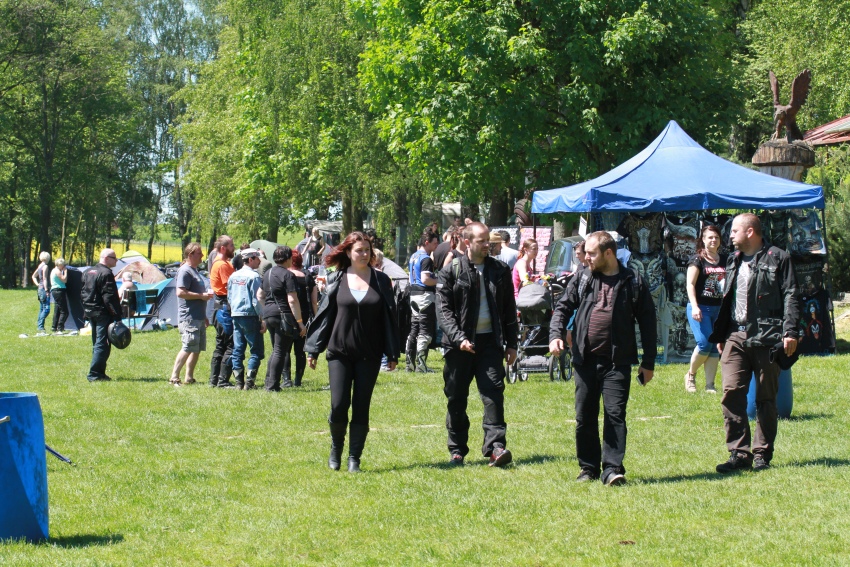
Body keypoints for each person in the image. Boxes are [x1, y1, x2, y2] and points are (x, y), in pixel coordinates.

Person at [549, 231, 657, 485]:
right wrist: (555, 335)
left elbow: (648, 322)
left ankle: (612, 469)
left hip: (617, 362)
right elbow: (563, 306)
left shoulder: (633, 281)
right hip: (585, 360)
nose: (585, 257)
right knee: (584, 416)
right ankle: (588, 468)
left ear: (608, 253)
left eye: (591, 253)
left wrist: (648, 362)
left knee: (615, 414)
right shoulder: (583, 277)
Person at [709, 213, 799, 473]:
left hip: (767, 336)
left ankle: (762, 454)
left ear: (750, 232)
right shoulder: (732, 259)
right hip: (735, 336)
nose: (730, 235)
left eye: (734, 231)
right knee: (731, 393)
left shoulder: (779, 258)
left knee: (765, 398)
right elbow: (728, 299)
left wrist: (790, 331)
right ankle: (739, 453)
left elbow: (792, 294)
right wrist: (722, 335)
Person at [306, 232, 399, 472]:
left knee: (361, 405)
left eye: (367, 250)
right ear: (348, 252)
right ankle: (336, 448)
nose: (364, 254)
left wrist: (392, 353)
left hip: (370, 354)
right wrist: (313, 350)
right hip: (339, 353)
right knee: (339, 404)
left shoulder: (381, 280)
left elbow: (389, 318)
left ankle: (354, 458)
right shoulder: (336, 278)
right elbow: (325, 317)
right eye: (359, 250)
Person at [436, 222, 519, 468]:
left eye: (488, 240)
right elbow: (444, 312)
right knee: (456, 398)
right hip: (458, 346)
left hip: (490, 343)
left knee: (493, 394)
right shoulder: (450, 271)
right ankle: (457, 450)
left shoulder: (500, 270)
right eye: (482, 241)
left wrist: (512, 343)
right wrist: (459, 338)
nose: (487, 245)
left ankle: (496, 448)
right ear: (467, 242)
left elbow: (509, 310)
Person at [684, 225, 727, 394]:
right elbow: (690, 284)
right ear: (703, 239)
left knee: (715, 346)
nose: (713, 240)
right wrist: (695, 306)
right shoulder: (697, 260)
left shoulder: (725, 259)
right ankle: (691, 375)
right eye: (710, 237)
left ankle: (710, 385)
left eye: (716, 237)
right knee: (704, 343)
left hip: (719, 309)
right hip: (700, 308)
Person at [262, 246, 306, 391]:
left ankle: (268, 381)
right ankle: (272, 385)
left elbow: (259, 295)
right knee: (280, 350)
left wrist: (267, 308)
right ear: (288, 259)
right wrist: (300, 322)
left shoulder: (268, 273)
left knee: (276, 349)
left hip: (268, 314)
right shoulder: (288, 275)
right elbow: (292, 300)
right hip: (283, 314)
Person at [169, 243, 214, 387]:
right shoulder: (185, 271)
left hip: (198, 316)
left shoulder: (194, 270)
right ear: (190, 255)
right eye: (199, 253)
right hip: (189, 317)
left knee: (197, 348)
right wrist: (201, 296)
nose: (202, 256)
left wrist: (204, 315)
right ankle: (174, 377)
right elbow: (180, 292)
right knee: (188, 346)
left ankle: (189, 377)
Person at [81, 249, 123, 382]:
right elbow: (109, 297)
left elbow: (83, 293)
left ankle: (100, 373)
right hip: (103, 313)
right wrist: (117, 315)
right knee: (102, 343)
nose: (116, 260)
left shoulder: (87, 272)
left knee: (97, 342)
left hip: (90, 312)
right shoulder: (106, 273)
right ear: (106, 258)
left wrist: (86, 310)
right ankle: (94, 374)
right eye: (114, 258)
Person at [228, 248, 266, 390]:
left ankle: (239, 382)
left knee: (238, 349)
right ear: (250, 259)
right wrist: (262, 318)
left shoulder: (233, 276)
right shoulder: (254, 277)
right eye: (257, 258)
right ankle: (249, 382)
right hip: (250, 315)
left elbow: (229, 297)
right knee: (256, 350)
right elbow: (257, 300)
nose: (259, 261)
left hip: (236, 315)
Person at [405, 228, 440, 372]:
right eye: (434, 243)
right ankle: (421, 365)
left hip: (413, 294)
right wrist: (440, 280)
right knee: (425, 329)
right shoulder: (426, 258)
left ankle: (409, 364)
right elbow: (426, 279)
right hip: (425, 296)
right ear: (427, 242)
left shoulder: (413, 256)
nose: (436, 246)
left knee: (414, 328)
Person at [209, 236, 237, 388]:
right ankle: (223, 380)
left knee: (221, 345)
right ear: (223, 248)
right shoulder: (222, 265)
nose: (234, 248)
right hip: (224, 309)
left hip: (219, 307)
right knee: (231, 344)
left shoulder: (219, 263)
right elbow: (230, 287)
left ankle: (214, 380)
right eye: (231, 245)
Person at [288, 249, 318, 385]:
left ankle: (286, 379)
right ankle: (298, 380)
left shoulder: (286, 276)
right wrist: (316, 317)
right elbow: (314, 301)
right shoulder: (307, 276)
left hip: (288, 315)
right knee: (300, 351)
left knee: (285, 349)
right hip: (304, 316)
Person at [32, 251, 51, 334]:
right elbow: (45, 278)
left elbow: (33, 276)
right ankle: (40, 325)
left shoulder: (40, 266)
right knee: (46, 309)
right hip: (43, 289)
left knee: (42, 308)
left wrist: (37, 284)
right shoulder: (45, 266)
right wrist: (46, 289)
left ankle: (40, 326)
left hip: (39, 288)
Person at [50, 258, 69, 334]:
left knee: (57, 310)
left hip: (55, 291)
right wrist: (65, 271)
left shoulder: (53, 270)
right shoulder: (57, 271)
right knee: (64, 311)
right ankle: (60, 328)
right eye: (63, 265)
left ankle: (54, 326)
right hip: (59, 291)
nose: (64, 266)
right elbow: (64, 280)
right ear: (60, 265)